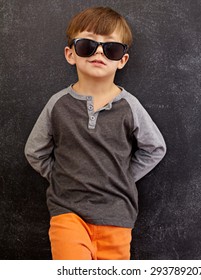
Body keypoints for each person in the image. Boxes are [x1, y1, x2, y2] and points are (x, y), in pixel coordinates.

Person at [24, 6, 166, 260]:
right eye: (87, 45)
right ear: (70, 54)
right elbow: (35, 151)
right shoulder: (58, 104)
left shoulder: (130, 106)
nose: (99, 51)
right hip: (68, 212)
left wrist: (122, 177)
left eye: (111, 48)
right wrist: (62, 178)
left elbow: (155, 148)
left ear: (122, 60)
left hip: (117, 216)